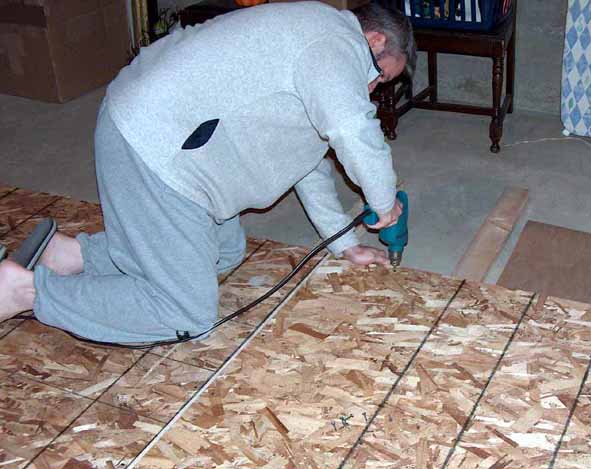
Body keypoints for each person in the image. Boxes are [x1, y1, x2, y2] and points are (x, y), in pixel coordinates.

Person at [0, 1, 415, 343]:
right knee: (185, 312)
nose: (373, 88)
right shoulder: (336, 43)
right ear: (374, 40)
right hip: (155, 148)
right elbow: (353, 130)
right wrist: (384, 202)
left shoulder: (312, 33)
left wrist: (344, 244)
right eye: (380, 76)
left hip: (162, 134)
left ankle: (73, 256)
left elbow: (307, 161)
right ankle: (25, 292)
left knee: (223, 249)